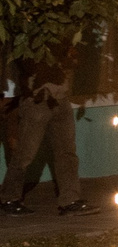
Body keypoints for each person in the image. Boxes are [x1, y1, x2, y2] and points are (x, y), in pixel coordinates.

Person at [0, 57, 89, 216]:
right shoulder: (31, 39)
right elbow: (26, 65)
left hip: (60, 100)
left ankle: (70, 200)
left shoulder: (61, 37)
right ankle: (9, 198)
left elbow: (73, 62)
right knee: (25, 153)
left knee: (67, 152)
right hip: (37, 101)